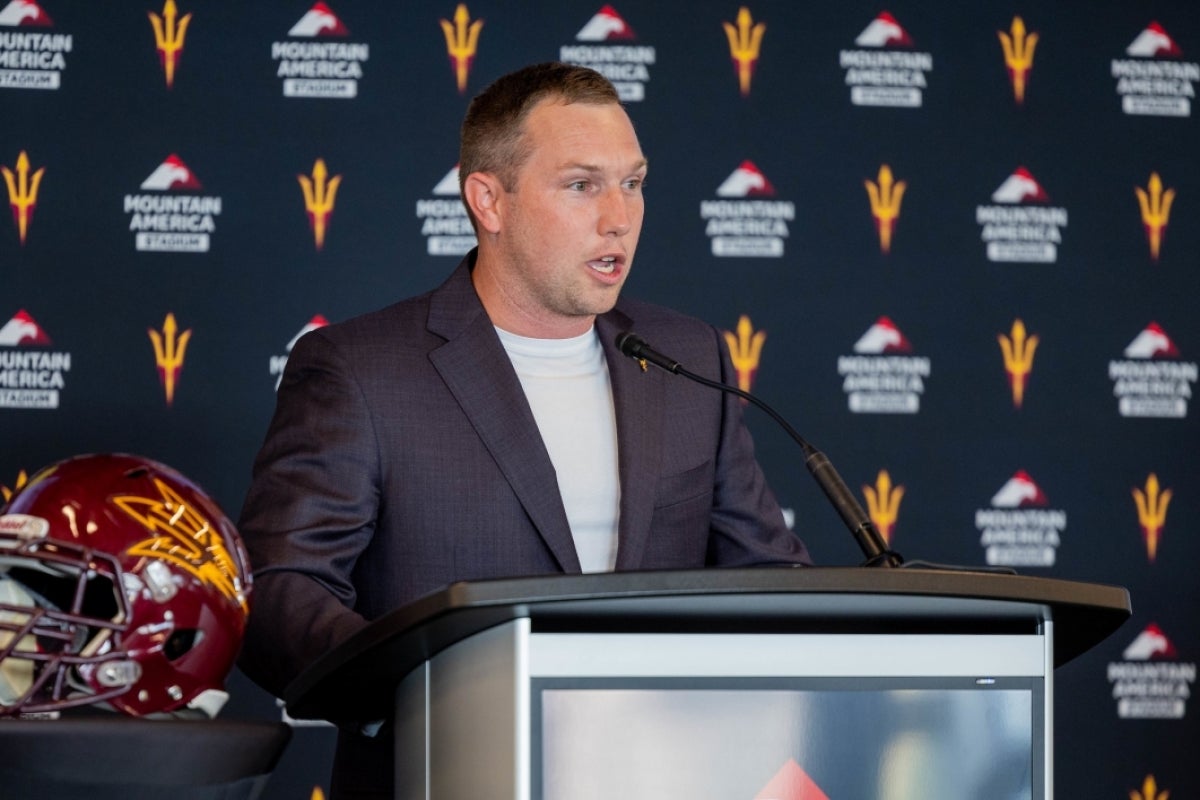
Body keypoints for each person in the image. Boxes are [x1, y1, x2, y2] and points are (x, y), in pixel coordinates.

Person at [237, 61, 812, 798]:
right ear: (489, 200)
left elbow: (763, 575)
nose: (619, 217)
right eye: (582, 185)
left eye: (632, 183)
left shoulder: (687, 356)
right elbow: (282, 591)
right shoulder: (359, 370)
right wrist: (431, 688)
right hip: (447, 773)